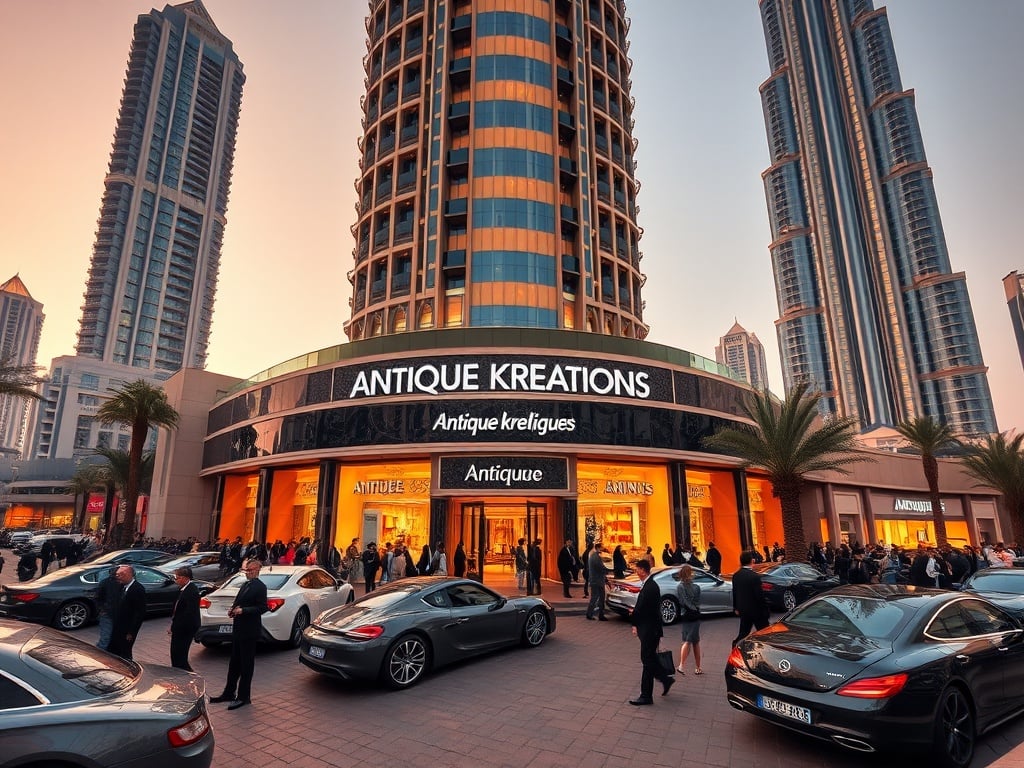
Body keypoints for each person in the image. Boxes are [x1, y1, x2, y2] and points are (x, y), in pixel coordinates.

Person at [210, 560, 268, 710]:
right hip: (239, 629)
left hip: (249, 631)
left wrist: (244, 611)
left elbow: (262, 608)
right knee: (234, 663)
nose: (247, 573)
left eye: (249, 570)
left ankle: (243, 697)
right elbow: (239, 601)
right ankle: (229, 692)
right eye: (246, 570)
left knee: (246, 664)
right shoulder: (245, 585)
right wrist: (233, 609)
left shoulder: (260, 587)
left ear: (256, 570)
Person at [628, 558, 674, 705]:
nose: (636, 571)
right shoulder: (650, 585)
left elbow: (642, 608)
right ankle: (665, 679)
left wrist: (633, 618)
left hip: (650, 630)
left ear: (642, 570)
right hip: (650, 629)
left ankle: (646, 695)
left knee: (647, 660)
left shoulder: (650, 587)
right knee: (650, 658)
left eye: (637, 569)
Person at [108, 565, 147, 661]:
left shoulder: (138, 589)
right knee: (113, 649)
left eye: (120, 575)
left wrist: (131, 632)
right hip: (118, 626)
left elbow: (139, 613)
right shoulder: (121, 586)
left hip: (127, 629)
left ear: (129, 575)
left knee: (125, 652)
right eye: (117, 575)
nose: (118, 577)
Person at [731, 550, 770, 646]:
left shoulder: (736, 576)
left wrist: (736, 607)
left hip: (743, 609)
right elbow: (759, 595)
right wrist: (765, 609)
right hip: (756, 610)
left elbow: (735, 592)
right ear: (752, 561)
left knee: (744, 632)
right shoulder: (754, 577)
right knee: (765, 632)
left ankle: (735, 645)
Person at [169, 566, 201, 672]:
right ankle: (178, 671)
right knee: (175, 653)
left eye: (177, 577)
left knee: (179, 653)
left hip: (186, 628)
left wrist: (176, 627)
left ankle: (186, 675)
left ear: (184, 578)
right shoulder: (182, 589)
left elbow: (189, 613)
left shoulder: (192, 591)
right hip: (179, 627)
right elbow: (177, 610)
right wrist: (173, 626)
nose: (175, 580)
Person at [676, 564, 702, 675]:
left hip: (686, 615)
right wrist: (694, 609)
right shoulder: (697, 587)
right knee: (695, 641)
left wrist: (689, 608)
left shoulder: (679, 587)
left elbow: (682, 602)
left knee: (688, 640)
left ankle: (682, 665)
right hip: (695, 616)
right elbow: (697, 602)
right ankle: (697, 667)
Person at [95, 566, 120, 650]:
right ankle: (99, 654)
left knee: (110, 638)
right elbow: (98, 598)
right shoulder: (105, 583)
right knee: (106, 638)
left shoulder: (123, 583)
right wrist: (102, 609)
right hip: (107, 613)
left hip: (115, 613)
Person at [585, 541, 609, 621]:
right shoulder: (595, 557)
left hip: (596, 580)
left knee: (597, 597)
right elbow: (600, 568)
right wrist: (608, 570)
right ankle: (595, 614)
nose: (603, 548)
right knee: (597, 597)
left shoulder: (594, 556)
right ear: (598, 548)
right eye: (602, 547)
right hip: (597, 581)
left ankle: (596, 614)